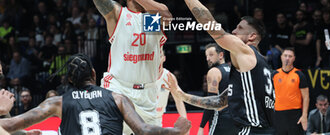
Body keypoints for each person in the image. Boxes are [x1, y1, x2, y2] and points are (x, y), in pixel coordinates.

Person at [165, 0, 275, 134]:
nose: (233, 31)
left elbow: (210, 24)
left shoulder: (246, 51)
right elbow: (219, 102)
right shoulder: (260, 66)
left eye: (239, 28)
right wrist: (183, 96)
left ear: (252, 36)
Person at [81, 0, 172, 134]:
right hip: (118, 91)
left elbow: (166, 15)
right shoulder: (118, 14)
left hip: (149, 96)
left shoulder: (151, 18)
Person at [0, 53, 191, 135]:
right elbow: (144, 130)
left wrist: (2, 111)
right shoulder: (118, 98)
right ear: (93, 74)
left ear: (70, 81)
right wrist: (176, 131)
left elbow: (8, 125)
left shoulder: (57, 103)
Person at [272, 48, 309, 134]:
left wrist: (304, 115)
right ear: (281, 57)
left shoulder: (299, 74)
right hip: (278, 114)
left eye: (290, 56)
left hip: (295, 114)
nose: (287, 58)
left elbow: (306, 97)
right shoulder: (274, 74)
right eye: (285, 56)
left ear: (294, 58)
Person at [197, 43, 231, 135]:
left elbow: (211, 102)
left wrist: (201, 126)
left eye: (211, 55)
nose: (208, 59)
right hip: (236, 120)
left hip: (220, 119)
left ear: (221, 55)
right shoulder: (233, 70)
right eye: (206, 56)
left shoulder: (214, 72)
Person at [155, 48, 187, 126]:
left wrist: (185, 122)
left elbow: (179, 100)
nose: (157, 58)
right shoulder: (143, 76)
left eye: (160, 55)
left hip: (158, 119)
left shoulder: (169, 77)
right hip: (141, 120)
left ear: (164, 58)